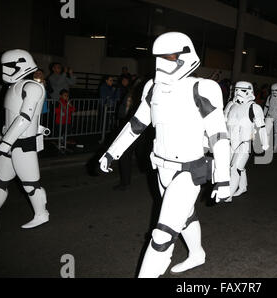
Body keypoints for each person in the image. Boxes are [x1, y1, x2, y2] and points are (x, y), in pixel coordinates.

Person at [99, 32, 231, 278]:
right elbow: (137, 123)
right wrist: (112, 152)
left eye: (169, 57)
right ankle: (197, 253)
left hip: (189, 170)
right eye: (158, 57)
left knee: (162, 234)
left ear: (185, 56)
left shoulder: (203, 88)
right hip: (161, 168)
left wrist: (224, 177)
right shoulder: (152, 87)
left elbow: (219, 136)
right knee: (184, 216)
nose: (162, 63)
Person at [0, 49, 49, 229]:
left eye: (9, 66)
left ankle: (42, 214)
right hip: (8, 141)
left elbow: (26, 117)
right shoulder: (14, 86)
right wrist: (5, 141)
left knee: (31, 185)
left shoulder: (31, 87)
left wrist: (6, 142)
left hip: (23, 143)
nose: (5, 70)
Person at [226, 81, 269, 202]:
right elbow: (223, 122)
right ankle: (243, 187)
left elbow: (261, 127)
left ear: (249, 91)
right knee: (236, 167)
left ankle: (229, 194)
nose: (238, 93)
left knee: (235, 168)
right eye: (236, 90)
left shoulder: (254, 107)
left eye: (242, 90)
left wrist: (264, 144)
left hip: (244, 143)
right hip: (230, 142)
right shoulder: (231, 105)